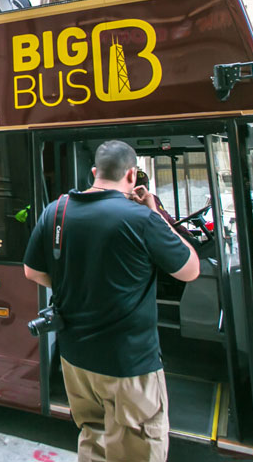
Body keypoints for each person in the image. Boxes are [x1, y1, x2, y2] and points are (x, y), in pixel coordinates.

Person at [22, 140, 200, 461]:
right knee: (137, 448)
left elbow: (32, 271)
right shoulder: (142, 220)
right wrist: (155, 212)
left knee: (94, 438)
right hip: (128, 364)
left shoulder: (56, 211)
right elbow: (190, 269)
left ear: (94, 172)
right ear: (132, 175)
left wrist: (72, 285)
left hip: (76, 360)